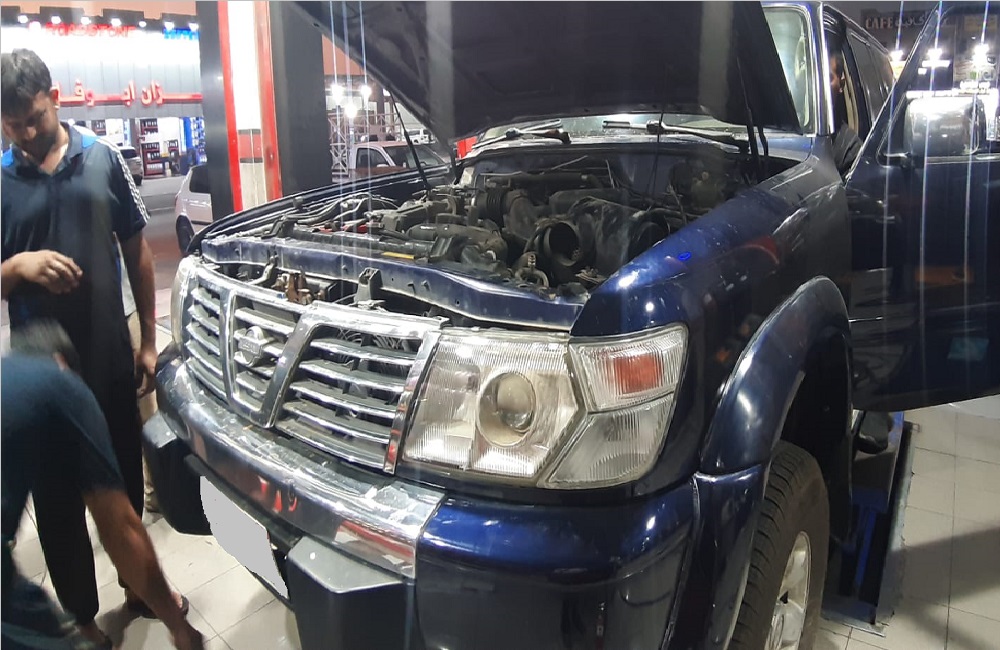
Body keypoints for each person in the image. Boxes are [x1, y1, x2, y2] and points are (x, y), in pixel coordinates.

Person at [0, 48, 178, 645]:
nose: (26, 134)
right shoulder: (1, 179)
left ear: (55, 98)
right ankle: (80, 615)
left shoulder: (102, 159)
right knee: (56, 503)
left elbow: (138, 251)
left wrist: (148, 341)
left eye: (34, 118)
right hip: (42, 369)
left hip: (107, 356)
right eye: (12, 125)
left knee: (122, 481)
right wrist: (16, 266)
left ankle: (139, 589)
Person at [2, 322, 204, 650]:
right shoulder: (60, 383)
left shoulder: (12, 381)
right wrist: (179, 627)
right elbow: (119, 528)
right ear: (63, 363)